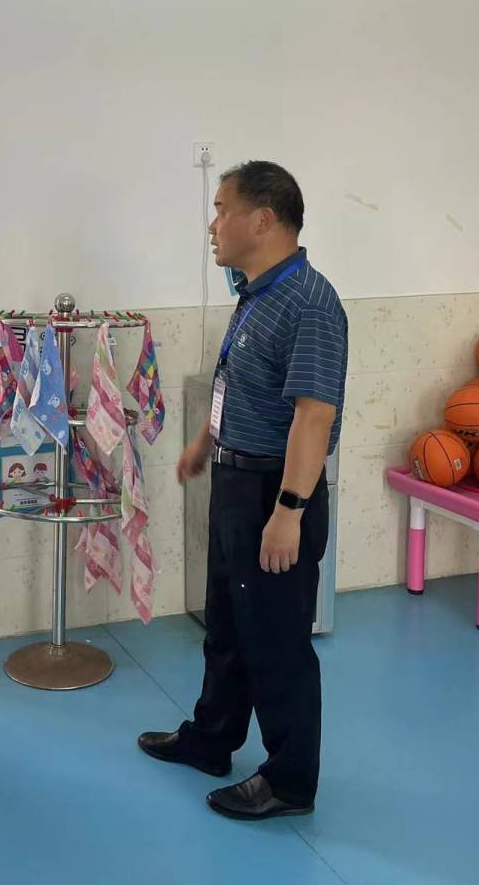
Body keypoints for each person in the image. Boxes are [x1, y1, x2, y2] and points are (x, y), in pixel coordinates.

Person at [137, 161, 347, 820]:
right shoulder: (257, 292)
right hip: (235, 481)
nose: (212, 224)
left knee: (277, 642)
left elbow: (315, 414)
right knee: (227, 625)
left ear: (263, 219)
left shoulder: (310, 303)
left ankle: (289, 781)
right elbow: (241, 383)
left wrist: (289, 512)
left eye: (222, 209)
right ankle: (212, 738)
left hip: (273, 493)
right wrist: (207, 441)